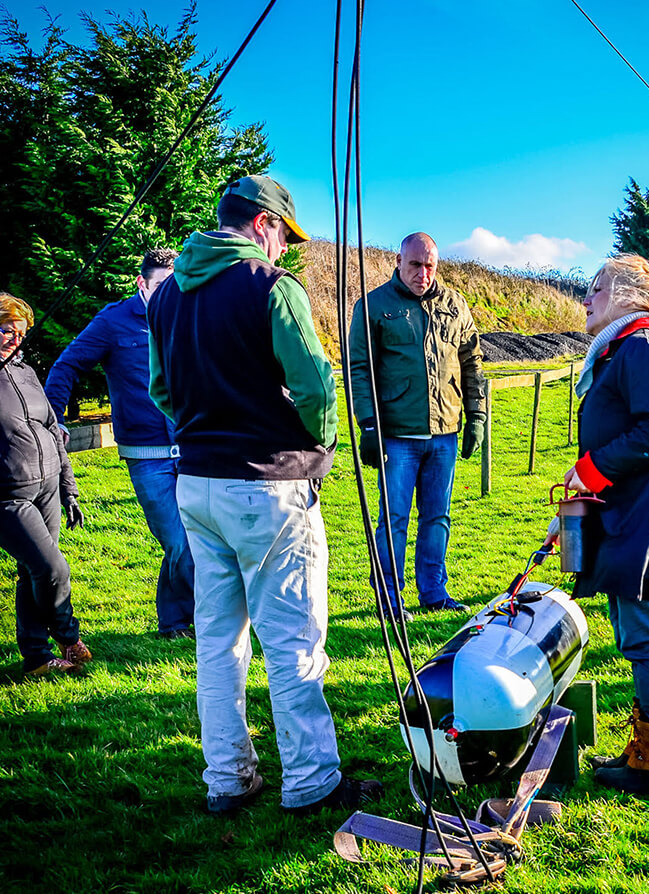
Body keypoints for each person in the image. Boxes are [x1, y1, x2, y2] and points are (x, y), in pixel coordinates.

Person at [146, 175, 382, 814]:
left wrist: (205, 426)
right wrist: (322, 448)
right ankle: (310, 782)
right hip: (269, 486)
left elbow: (161, 389)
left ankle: (227, 778)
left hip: (195, 482)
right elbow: (316, 387)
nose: (284, 249)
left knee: (217, 641)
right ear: (262, 225)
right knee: (293, 641)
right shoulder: (273, 288)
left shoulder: (166, 294)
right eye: (284, 234)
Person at [543, 254, 649, 795]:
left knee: (647, 638)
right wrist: (573, 509)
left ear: (627, 295)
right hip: (636, 508)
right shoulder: (622, 350)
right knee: (639, 636)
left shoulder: (643, 347)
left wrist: (589, 467)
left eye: (595, 289)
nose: (585, 299)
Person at [45, 249, 195, 639]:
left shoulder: (188, 311)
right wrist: (54, 418)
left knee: (197, 538)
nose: (171, 293)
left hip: (195, 446)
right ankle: (215, 620)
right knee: (178, 542)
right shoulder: (114, 320)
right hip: (147, 454)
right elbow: (67, 364)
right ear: (142, 284)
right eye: (163, 285)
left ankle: (176, 622)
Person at [349, 232, 486, 619]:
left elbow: (473, 363)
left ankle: (434, 592)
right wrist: (369, 426)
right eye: (415, 265)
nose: (423, 273)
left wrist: (476, 415)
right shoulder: (372, 306)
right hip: (397, 434)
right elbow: (360, 369)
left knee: (437, 516)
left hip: (445, 432)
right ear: (398, 261)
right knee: (393, 518)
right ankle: (389, 599)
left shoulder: (455, 304)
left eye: (430, 266)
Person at [0, 293, 91, 676]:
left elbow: (53, 430)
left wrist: (68, 488)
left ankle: (36, 656)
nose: (13, 339)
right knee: (53, 569)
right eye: (5, 330)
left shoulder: (25, 373)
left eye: (19, 334)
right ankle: (67, 635)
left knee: (32, 571)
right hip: (9, 494)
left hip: (48, 486)